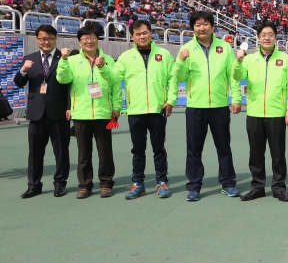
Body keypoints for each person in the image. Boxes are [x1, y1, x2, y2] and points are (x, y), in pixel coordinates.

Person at [98, 20, 178, 199]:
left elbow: (172, 80)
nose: (142, 36)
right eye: (138, 34)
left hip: (158, 110)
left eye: (145, 33)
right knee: (138, 150)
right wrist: (103, 68)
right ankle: (138, 183)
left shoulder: (164, 54)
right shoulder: (126, 57)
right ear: (132, 37)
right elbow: (114, 78)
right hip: (135, 111)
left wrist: (171, 100)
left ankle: (161, 182)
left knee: (159, 149)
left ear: (151, 33)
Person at [173, 10, 242, 201]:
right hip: (196, 107)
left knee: (224, 147)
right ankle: (194, 186)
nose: (201, 28)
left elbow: (233, 76)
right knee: (194, 149)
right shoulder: (186, 49)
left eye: (205, 24)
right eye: (197, 25)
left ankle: (228, 183)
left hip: (220, 106)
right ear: (193, 28)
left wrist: (236, 98)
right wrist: (180, 61)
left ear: (213, 26)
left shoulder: (225, 48)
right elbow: (179, 78)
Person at [233, 21, 288, 202]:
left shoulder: (285, 59)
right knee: (255, 154)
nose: (267, 38)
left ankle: (278, 187)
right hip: (254, 113)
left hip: (277, 113)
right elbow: (237, 77)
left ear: (276, 37)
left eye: (270, 34)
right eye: (263, 35)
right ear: (258, 38)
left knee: (278, 155)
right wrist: (238, 61)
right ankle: (257, 186)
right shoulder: (249, 59)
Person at [56, 26, 122, 199]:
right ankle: (85, 185)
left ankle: (106, 183)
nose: (89, 41)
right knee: (83, 153)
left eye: (92, 37)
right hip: (81, 113)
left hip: (103, 113)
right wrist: (62, 60)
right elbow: (63, 79)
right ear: (79, 42)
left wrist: (116, 107)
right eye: (84, 38)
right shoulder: (71, 60)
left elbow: (115, 83)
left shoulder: (108, 59)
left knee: (105, 152)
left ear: (97, 39)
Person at [13, 25, 71, 198]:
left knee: (61, 151)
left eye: (50, 38)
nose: (46, 42)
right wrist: (23, 70)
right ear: (37, 39)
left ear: (56, 39)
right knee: (35, 153)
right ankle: (34, 185)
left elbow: (69, 86)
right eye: (42, 38)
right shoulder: (29, 59)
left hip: (59, 112)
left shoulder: (64, 57)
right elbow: (19, 83)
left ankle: (60, 184)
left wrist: (69, 107)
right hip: (36, 113)